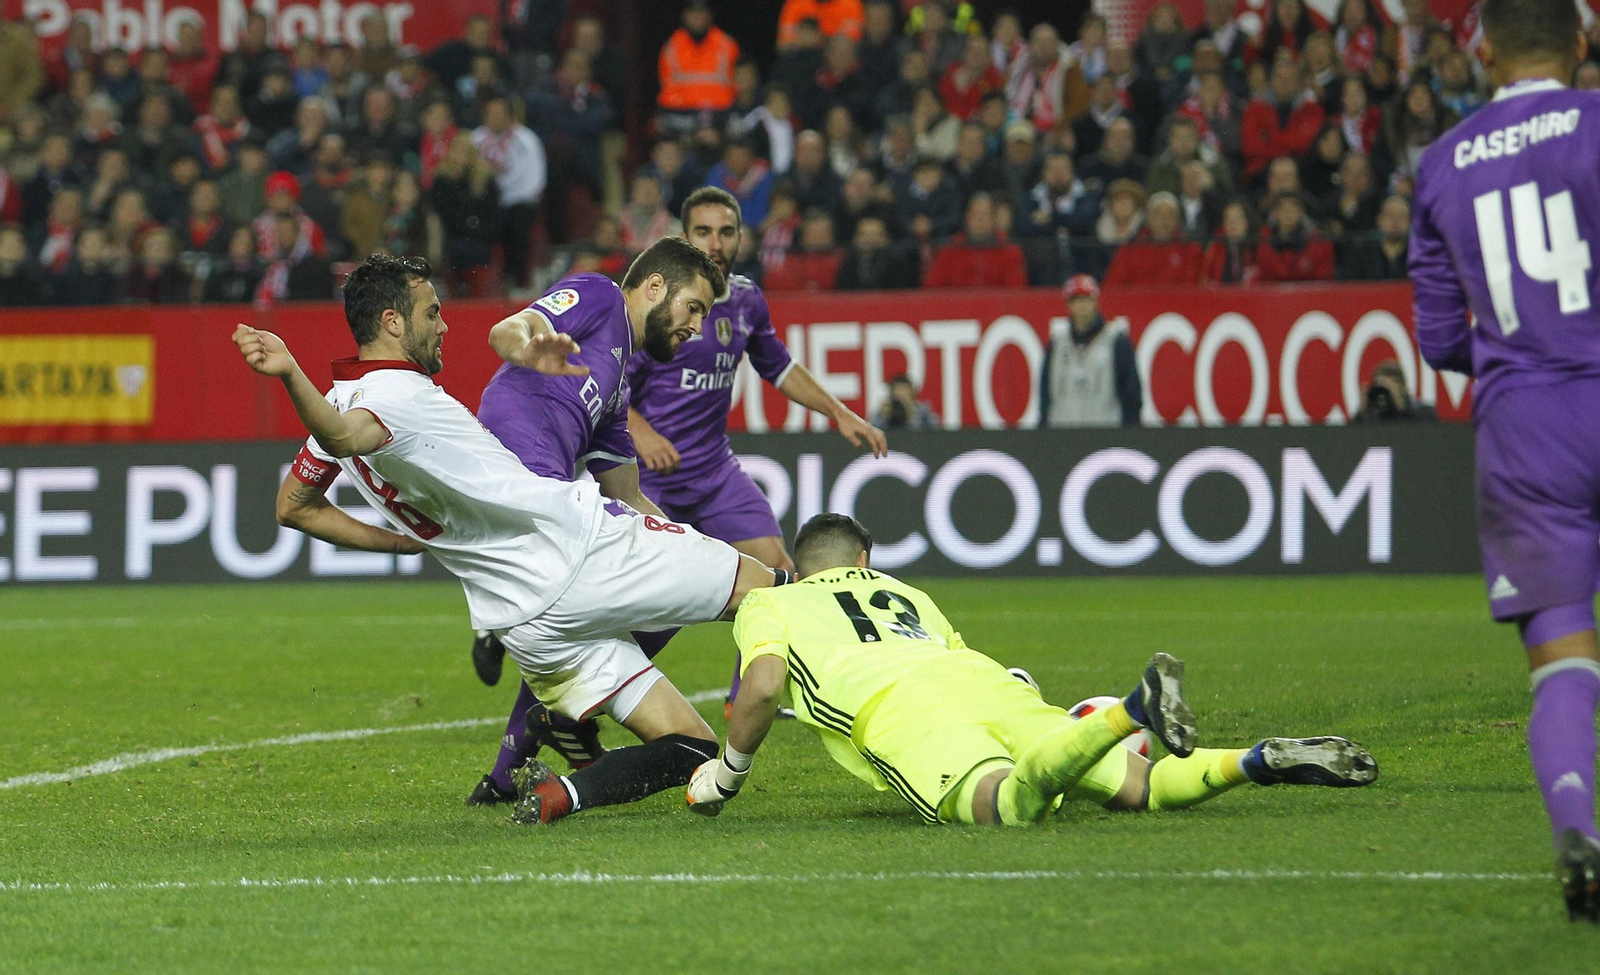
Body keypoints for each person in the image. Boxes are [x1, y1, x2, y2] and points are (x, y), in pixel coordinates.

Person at [235, 248, 778, 827]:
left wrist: (400, 544)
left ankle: (556, 794)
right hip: (573, 548)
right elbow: (346, 435)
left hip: (524, 618)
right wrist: (290, 372)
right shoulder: (397, 397)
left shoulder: (351, 395)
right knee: (774, 592)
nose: (444, 325)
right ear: (393, 323)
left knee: (689, 745)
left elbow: (294, 506)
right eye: (431, 312)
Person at [684, 513, 1378, 824]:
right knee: (1145, 787)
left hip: (901, 714)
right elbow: (968, 660)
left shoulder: (769, 604)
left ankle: (1129, 711)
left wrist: (727, 774)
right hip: (982, 681)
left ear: (802, 565)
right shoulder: (904, 591)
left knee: (1008, 806)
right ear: (863, 561)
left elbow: (765, 686)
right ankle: (1256, 760)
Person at [1409, 0, 1600, 920]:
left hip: (1526, 428)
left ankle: (1579, 823)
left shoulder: (1443, 163)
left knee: (1562, 656)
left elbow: (1440, 336)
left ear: (1481, 52)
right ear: (1584, 41)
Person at [625, 188, 886, 710]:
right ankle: (585, 687)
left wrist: (839, 411)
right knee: (653, 609)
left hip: (715, 473)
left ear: (741, 237)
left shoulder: (746, 299)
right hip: (651, 481)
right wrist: (643, 433)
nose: (716, 243)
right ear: (683, 237)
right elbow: (611, 384)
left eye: (726, 232)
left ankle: (743, 698)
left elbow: (780, 368)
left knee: (776, 575)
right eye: (703, 232)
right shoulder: (658, 308)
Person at [1038, 275, 1141, 428]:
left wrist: (1130, 434)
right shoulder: (1057, 344)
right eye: (1076, 300)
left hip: (1105, 436)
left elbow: (1131, 394)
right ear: (1068, 304)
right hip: (1062, 437)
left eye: (1087, 299)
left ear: (1096, 302)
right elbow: (1046, 394)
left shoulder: (1115, 342)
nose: (1082, 305)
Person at [472, 95, 544, 290]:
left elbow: (536, 179)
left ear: (510, 116)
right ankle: (474, 285)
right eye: (490, 114)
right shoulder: (475, 140)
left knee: (517, 222)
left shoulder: (527, 140)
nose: (494, 118)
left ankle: (517, 281)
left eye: (499, 114)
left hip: (518, 201)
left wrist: (513, 200)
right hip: (486, 203)